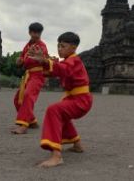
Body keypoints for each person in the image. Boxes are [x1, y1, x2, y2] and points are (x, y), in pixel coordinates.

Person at [27, 31, 92, 168]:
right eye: (58, 46)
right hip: (76, 98)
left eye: (63, 46)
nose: (59, 49)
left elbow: (63, 69)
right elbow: (56, 70)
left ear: (73, 48)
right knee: (62, 112)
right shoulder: (68, 61)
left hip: (81, 100)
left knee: (53, 110)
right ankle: (77, 145)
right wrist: (42, 61)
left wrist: (45, 60)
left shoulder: (73, 61)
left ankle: (56, 156)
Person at [12, 22, 48, 134]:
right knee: (18, 99)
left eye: (38, 32)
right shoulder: (27, 46)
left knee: (28, 95)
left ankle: (23, 125)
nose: (36, 35)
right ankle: (32, 121)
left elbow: (44, 59)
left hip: (38, 75)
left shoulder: (42, 46)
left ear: (41, 33)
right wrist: (19, 61)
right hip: (28, 75)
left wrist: (39, 58)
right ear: (29, 32)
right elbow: (22, 60)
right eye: (34, 32)